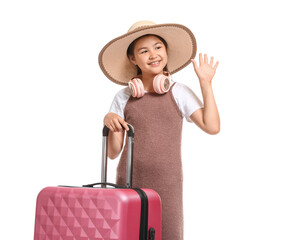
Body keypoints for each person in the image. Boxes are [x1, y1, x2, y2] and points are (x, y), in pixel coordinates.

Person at [99, 20, 220, 240]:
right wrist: (110, 121)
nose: (153, 54)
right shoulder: (123, 97)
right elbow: (113, 152)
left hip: (168, 186)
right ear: (133, 59)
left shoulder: (179, 92)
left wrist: (205, 83)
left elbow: (211, 126)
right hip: (128, 184)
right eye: (143, 51)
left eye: (158, 47)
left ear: (166, 51)